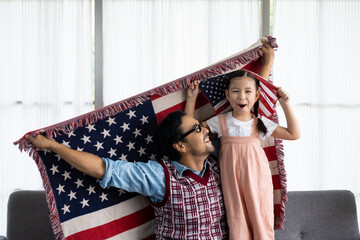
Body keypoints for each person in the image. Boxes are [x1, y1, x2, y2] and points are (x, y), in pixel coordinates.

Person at [25, 110, 229, 239]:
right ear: (180, 146)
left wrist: (263, 64)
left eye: (202, 126)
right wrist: (51, 145)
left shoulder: (218, 166)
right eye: (197, 128)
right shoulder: (159, 175)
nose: (205, 130)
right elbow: (102, 168)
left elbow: (246, 123)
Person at [185, 40, 300, 240]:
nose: (241, 96)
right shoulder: (220, 121)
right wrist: (192, 99)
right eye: (236, 92)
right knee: (237, 223)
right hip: (232, 183)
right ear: (227, 95)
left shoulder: (260, 123)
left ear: (256, 97)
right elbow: (189, 129)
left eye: (247, 92)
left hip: (258, 182)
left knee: (261, 222)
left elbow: (293, 134)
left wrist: (286, 104)